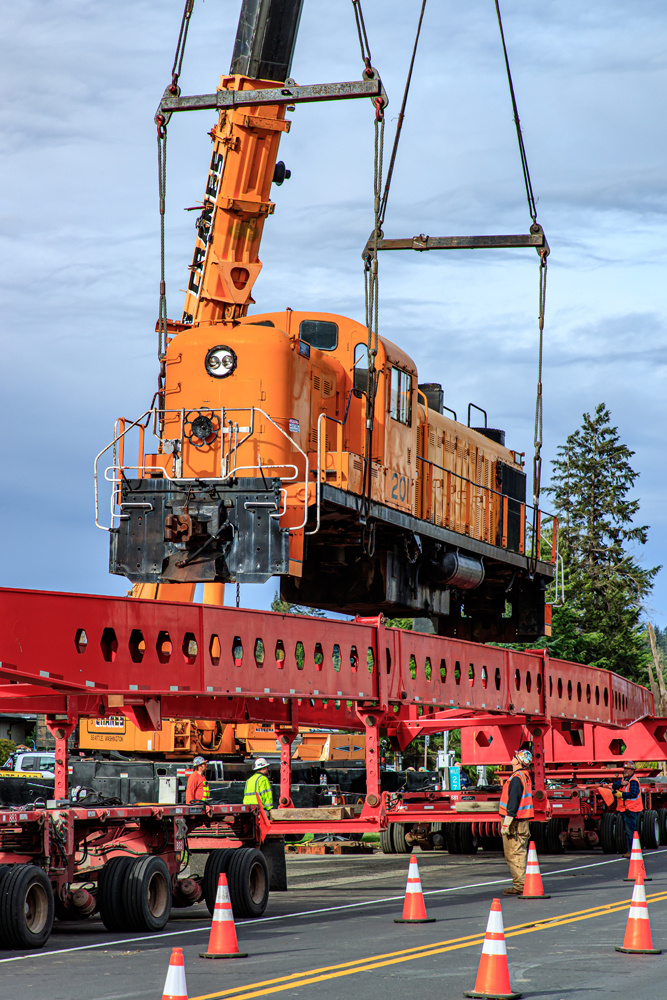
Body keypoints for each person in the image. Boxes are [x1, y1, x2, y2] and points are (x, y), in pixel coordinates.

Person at [499, 749, 534, 895]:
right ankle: (521, 883)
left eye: (514, 756)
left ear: (518, 761)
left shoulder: (516, 778)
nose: (512, 758)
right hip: (521, 821)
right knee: (518, 852)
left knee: (514, 853)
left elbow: (513, 802)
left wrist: (506, 823)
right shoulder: (523, 776)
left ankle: (520, 886)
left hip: (515, 822)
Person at [612, 761, 642, 857]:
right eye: (625, 769)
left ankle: (632, 851)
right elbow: (614, 785)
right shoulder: (624, 780)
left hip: (631, 810)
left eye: (627, 769)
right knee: (628, 831)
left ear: (632, 770)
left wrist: (621, 795)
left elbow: (633, 794)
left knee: (630, 832)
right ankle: (632, 851)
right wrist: (620, 783)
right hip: (625, 810)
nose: (625, 770)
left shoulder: (633, 781)